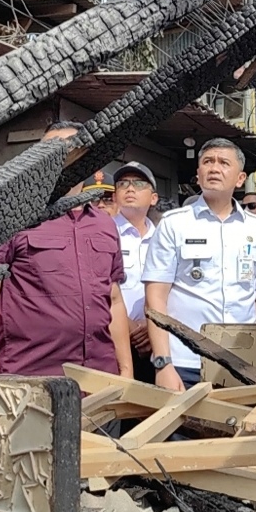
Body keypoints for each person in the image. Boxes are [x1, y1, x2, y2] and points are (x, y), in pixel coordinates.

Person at [0, 121, 133, 381]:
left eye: (74, 149)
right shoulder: (11, 218)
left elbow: (114, 299)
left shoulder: (104, 224)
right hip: (31, 380)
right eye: (54, 149)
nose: (64, 156)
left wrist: (126, 370)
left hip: (100, 380)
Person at [143, 138, 256, 391]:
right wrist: (163, 363)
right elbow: (155, 297)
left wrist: (247, 327)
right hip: (185, 361)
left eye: (223, 163)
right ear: (198, 175)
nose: (214, 168)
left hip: (241, 362)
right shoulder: (174, 223)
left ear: (240, 179)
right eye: (208, 162)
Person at [113, 161, 159, 385]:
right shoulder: (103, 233)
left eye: (139, 183)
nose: (130, 188)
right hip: (114, 338)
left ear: (153, 198)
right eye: (123, 183)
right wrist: (129, 327)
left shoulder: (164, 237)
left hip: (158, 338)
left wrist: (152, 327)